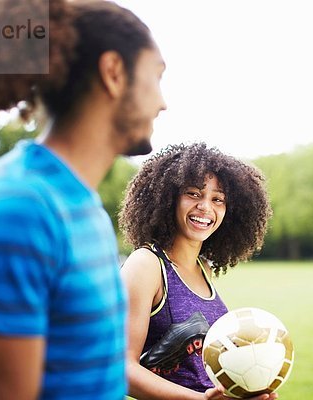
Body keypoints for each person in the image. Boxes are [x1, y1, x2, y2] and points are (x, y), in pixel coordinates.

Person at [0, 0, 166, 399]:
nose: (163, 102)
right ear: (114, 73)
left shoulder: (80, 203)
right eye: (157, 76)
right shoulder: (16, 212)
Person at [118, 142, 276, 399]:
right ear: (169, 198)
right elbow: (121, 368)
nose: (206, 207)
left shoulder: (204, 269)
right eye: (193, 193)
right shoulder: (146, 265)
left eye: (218, 199)